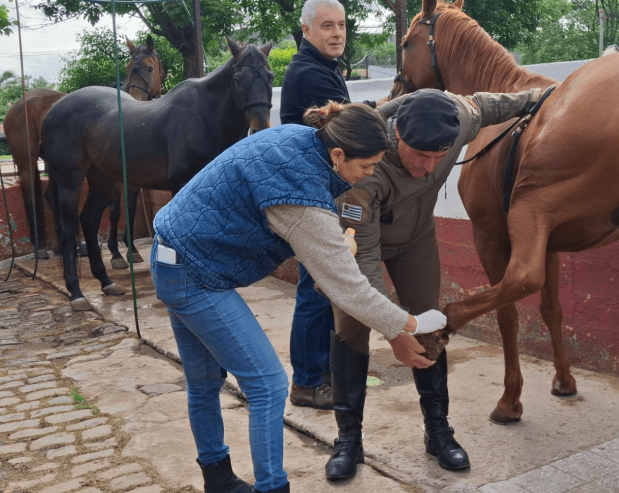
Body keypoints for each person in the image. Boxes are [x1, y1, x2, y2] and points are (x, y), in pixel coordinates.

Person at [150, 102, 448, 493]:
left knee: (205, 382)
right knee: (268, 385)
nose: (372, 173)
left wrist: (334, 247)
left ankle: (217, 478)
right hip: (194, 274)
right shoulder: (300, 195)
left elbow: (316, 242)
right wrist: (409, 324)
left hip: (173, 252)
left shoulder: (301, 138)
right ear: (339, 155)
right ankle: (273, 486)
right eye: (368, 165)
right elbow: (347, 287)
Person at [325, 87, 542, 480]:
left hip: (416, 238)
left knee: (429, 321)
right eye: (420, 156)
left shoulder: (457, 121)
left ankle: (438, 431)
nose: (429, 169)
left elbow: (492, 105)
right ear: (397, 137)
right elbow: (365, 266)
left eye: (438, 159)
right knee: (350, 327)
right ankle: (348, 440)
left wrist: (550, 94)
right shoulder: (364, 170)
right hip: (361, 247)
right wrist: (393, 331)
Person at [278, 0, 365, 410]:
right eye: (327, 26)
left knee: (320, 287)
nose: (337, 33)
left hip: (315, 191)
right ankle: (308, 382)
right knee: (315, 289)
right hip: (310, 194)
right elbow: (353, 129)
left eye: (342, 25)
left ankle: (319, 373)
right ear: (307, 31)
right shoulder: (312, 74)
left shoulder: (324, 68)